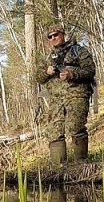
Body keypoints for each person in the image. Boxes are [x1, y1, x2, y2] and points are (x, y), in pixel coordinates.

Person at [37, 26, 96, 165]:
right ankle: (59, 168)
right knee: (54, 131)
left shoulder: (78, 51)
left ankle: (81, 165)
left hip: (77, 94)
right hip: (56, 99)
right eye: (50, 37)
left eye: (55, 35)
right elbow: (38, 78)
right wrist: (47, 72)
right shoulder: (48, 57)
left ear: (63, 34)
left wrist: (72, 74)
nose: (53, 38)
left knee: (76, 127)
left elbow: (90, 70)